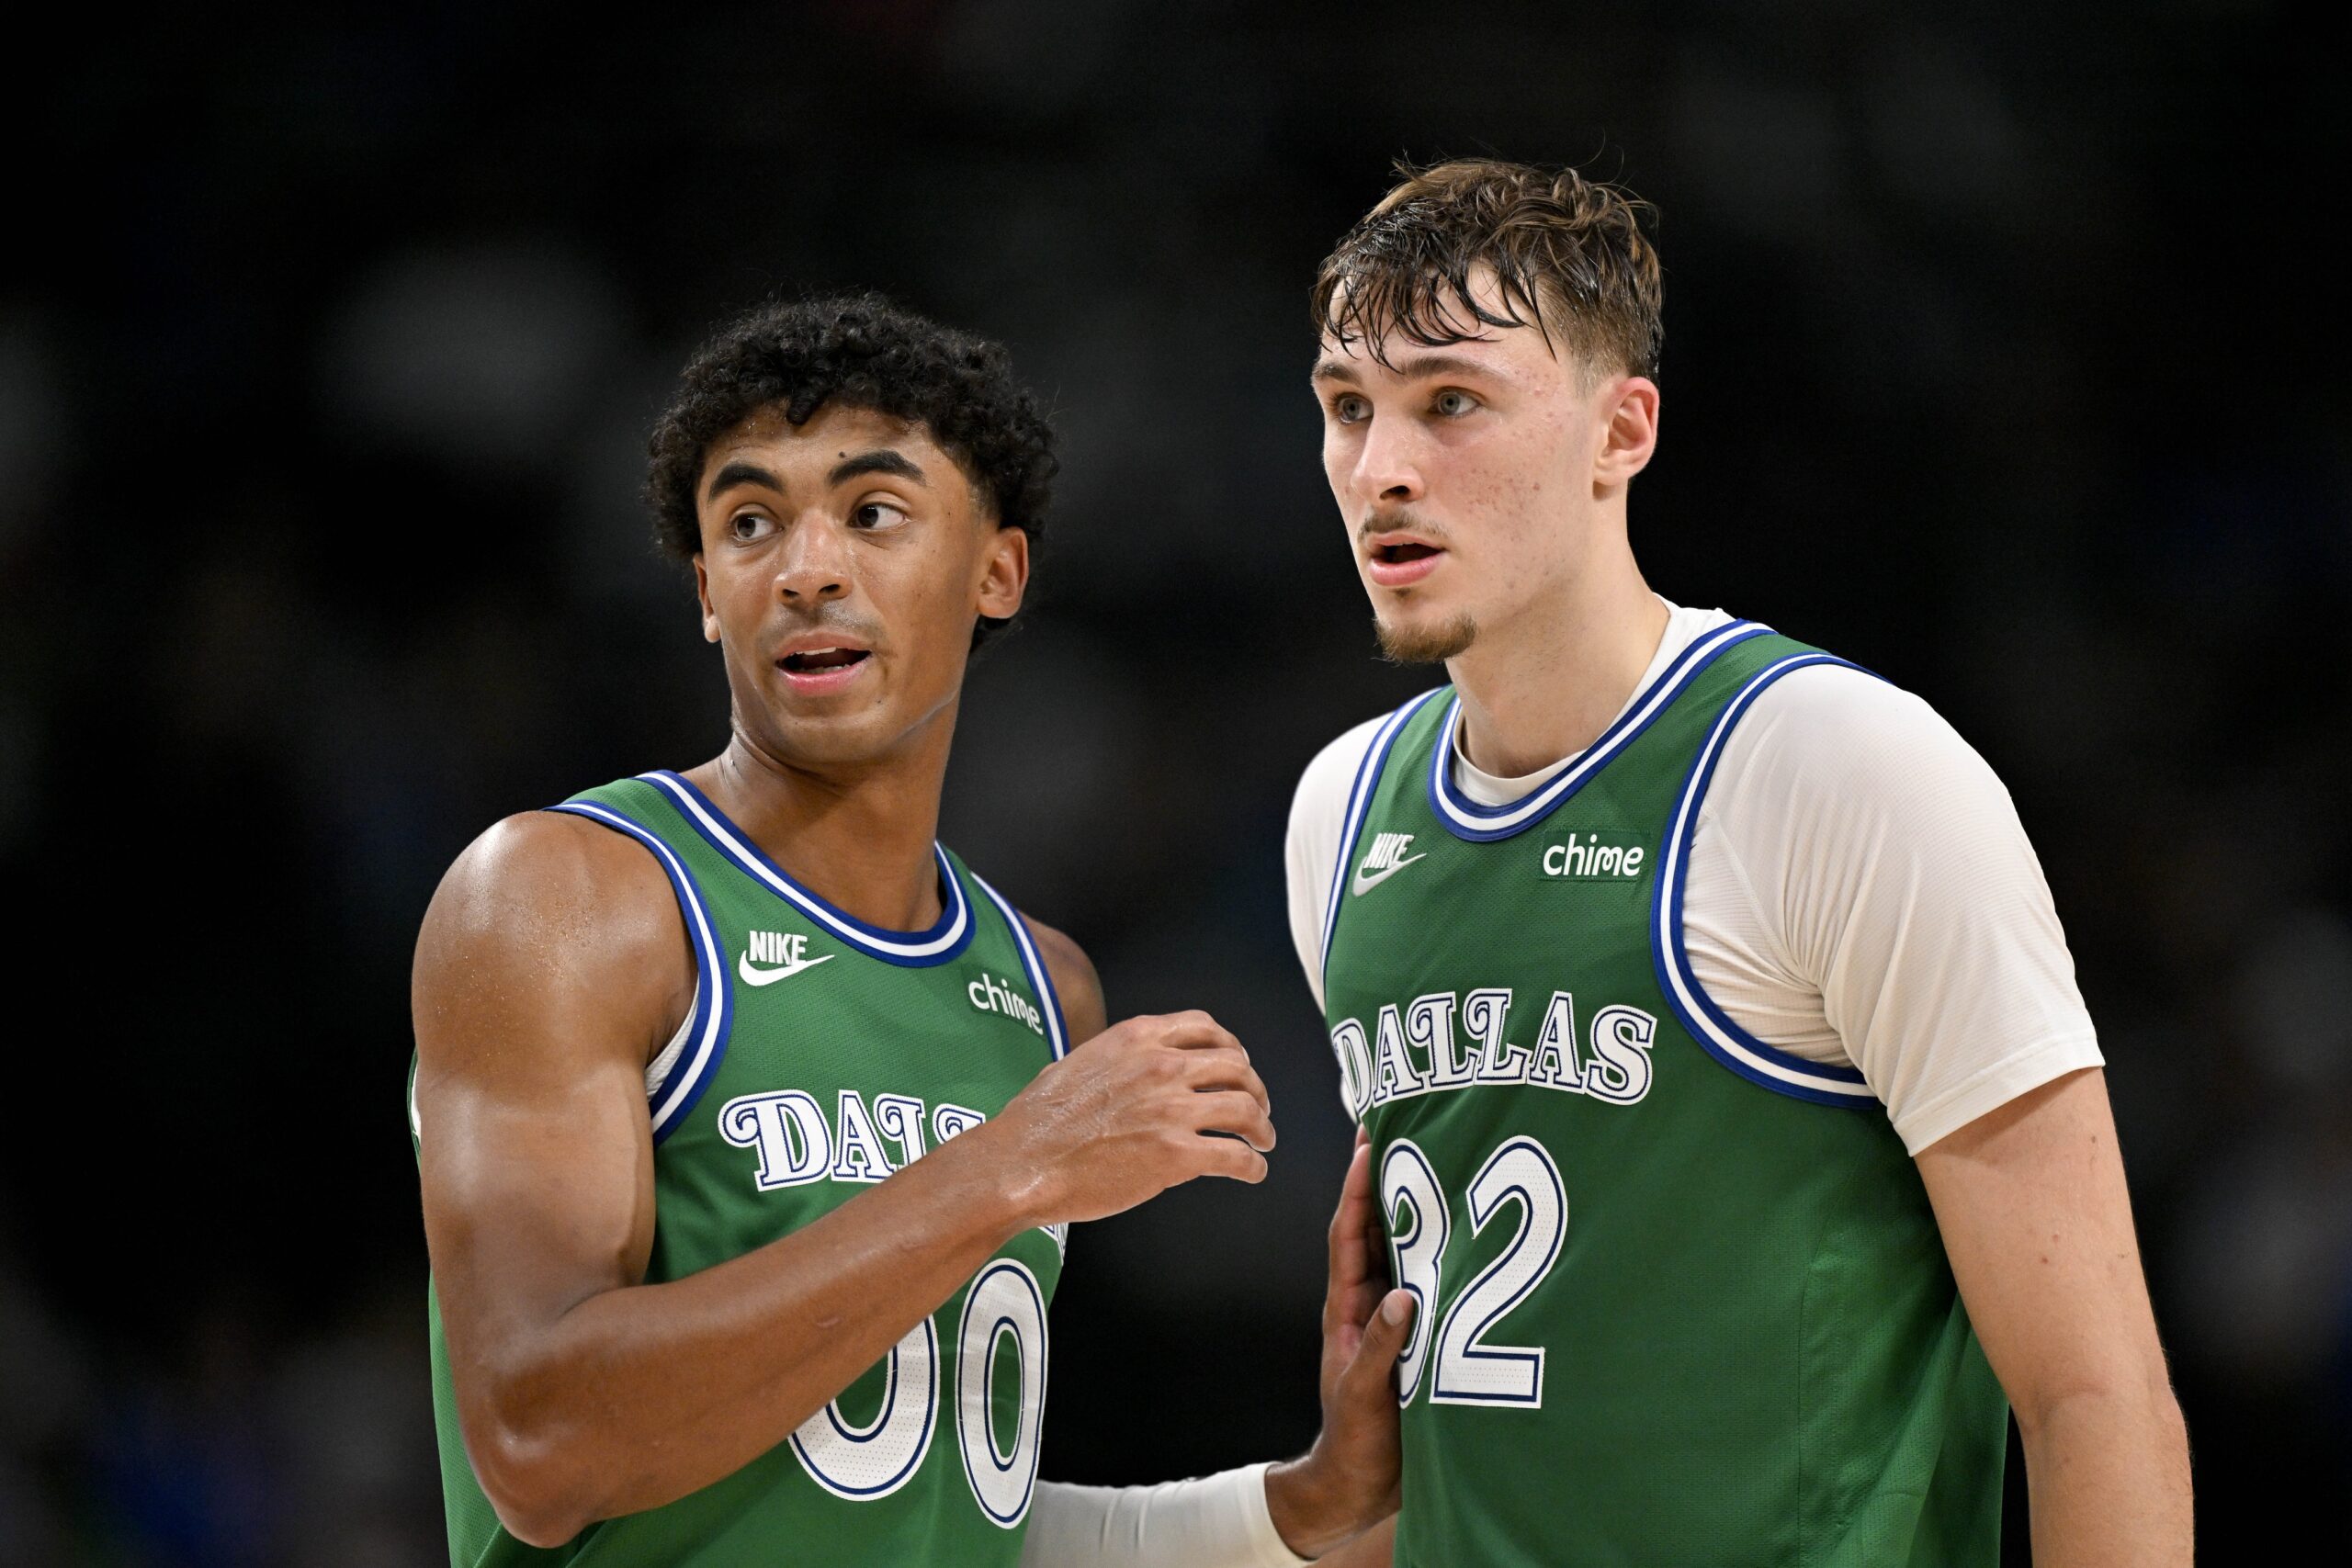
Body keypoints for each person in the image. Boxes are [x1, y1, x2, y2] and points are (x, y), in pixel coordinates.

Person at [1284, 161, 2193, 1565]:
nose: (1382, 468)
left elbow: (2095, 1393)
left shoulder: (1836, 768)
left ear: (1620, 431)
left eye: (1450, 401)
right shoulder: (1340, 815)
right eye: (1350, 408)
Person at [409, 293, 1408, 1567]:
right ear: (708, 590)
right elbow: (542, 1448)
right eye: (751, 522)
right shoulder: (567, 897)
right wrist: (1003, 1170)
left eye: (873, 514)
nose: (808, 569)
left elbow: (938, 1514)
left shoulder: (1046, 990)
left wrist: (1302, 1506)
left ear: (998, 570)